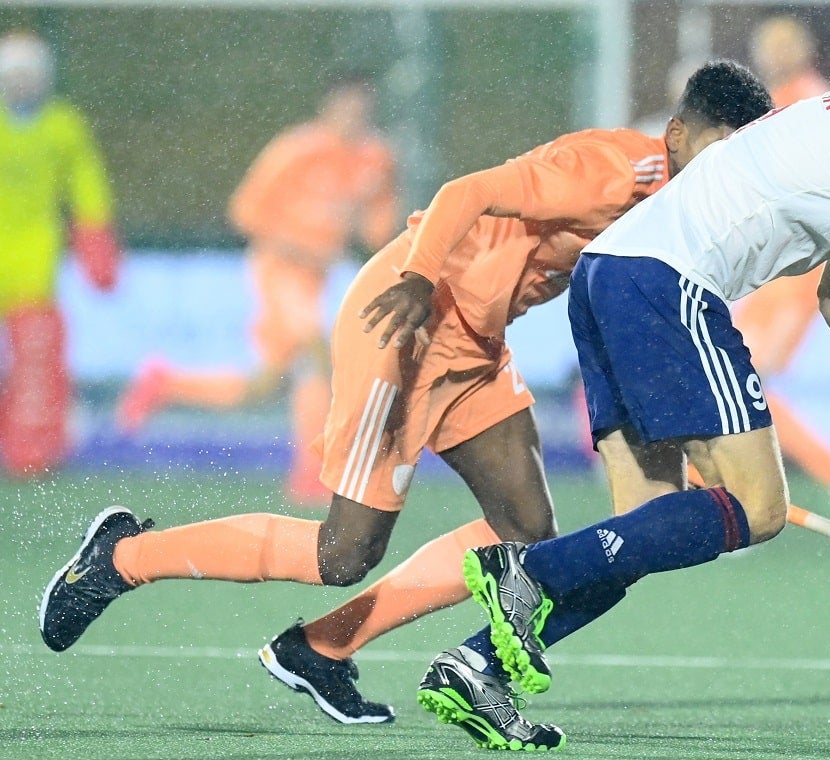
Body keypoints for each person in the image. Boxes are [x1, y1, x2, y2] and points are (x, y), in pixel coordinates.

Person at [38, 62, 773, 746]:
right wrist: (420, 276)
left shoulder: (688, 205)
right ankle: (122, 559)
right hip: (406, 324)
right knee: (342, 553)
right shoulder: (611, 170)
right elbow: (466, 193)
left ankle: (321, 648)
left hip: (477, 343)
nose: (727, 170)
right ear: (677, 133)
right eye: (718, 149)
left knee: (524, 531)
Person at [443, 10, 830, 745]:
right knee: (758, 508)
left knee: (647, 532)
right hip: (670, 283)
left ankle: (475, 667)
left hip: (609, 275)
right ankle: (529, 570)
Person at [115, 75, 398, 503]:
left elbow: (377, 231)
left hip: (316, 280)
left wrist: (374, 207)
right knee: (313, 353)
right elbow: (245, 212)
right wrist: (298, 247)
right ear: (327, 108)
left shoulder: (376, 158)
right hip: (278, 269)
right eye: (347, 108)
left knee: (263, 385)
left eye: (362, 110)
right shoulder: (296, 150)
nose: (354, 118)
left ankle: (165, 383)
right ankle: (312, 475)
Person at [735, 15, 830, 529]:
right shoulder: (784, 99)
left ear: (803, 50)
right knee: (738, 381)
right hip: (777, 268)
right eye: (767, 45)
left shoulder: (806, 101)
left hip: (799, 269)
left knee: (742, 381)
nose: (772, 54)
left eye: (782, 45)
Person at [0, 30, 121, 478]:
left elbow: (88, 186)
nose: (22, 83)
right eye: (14, 74)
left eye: (29, 74)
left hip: (34, 258)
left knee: (34, 360)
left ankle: (30, 449)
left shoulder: (63, 126)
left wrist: (97, 243)